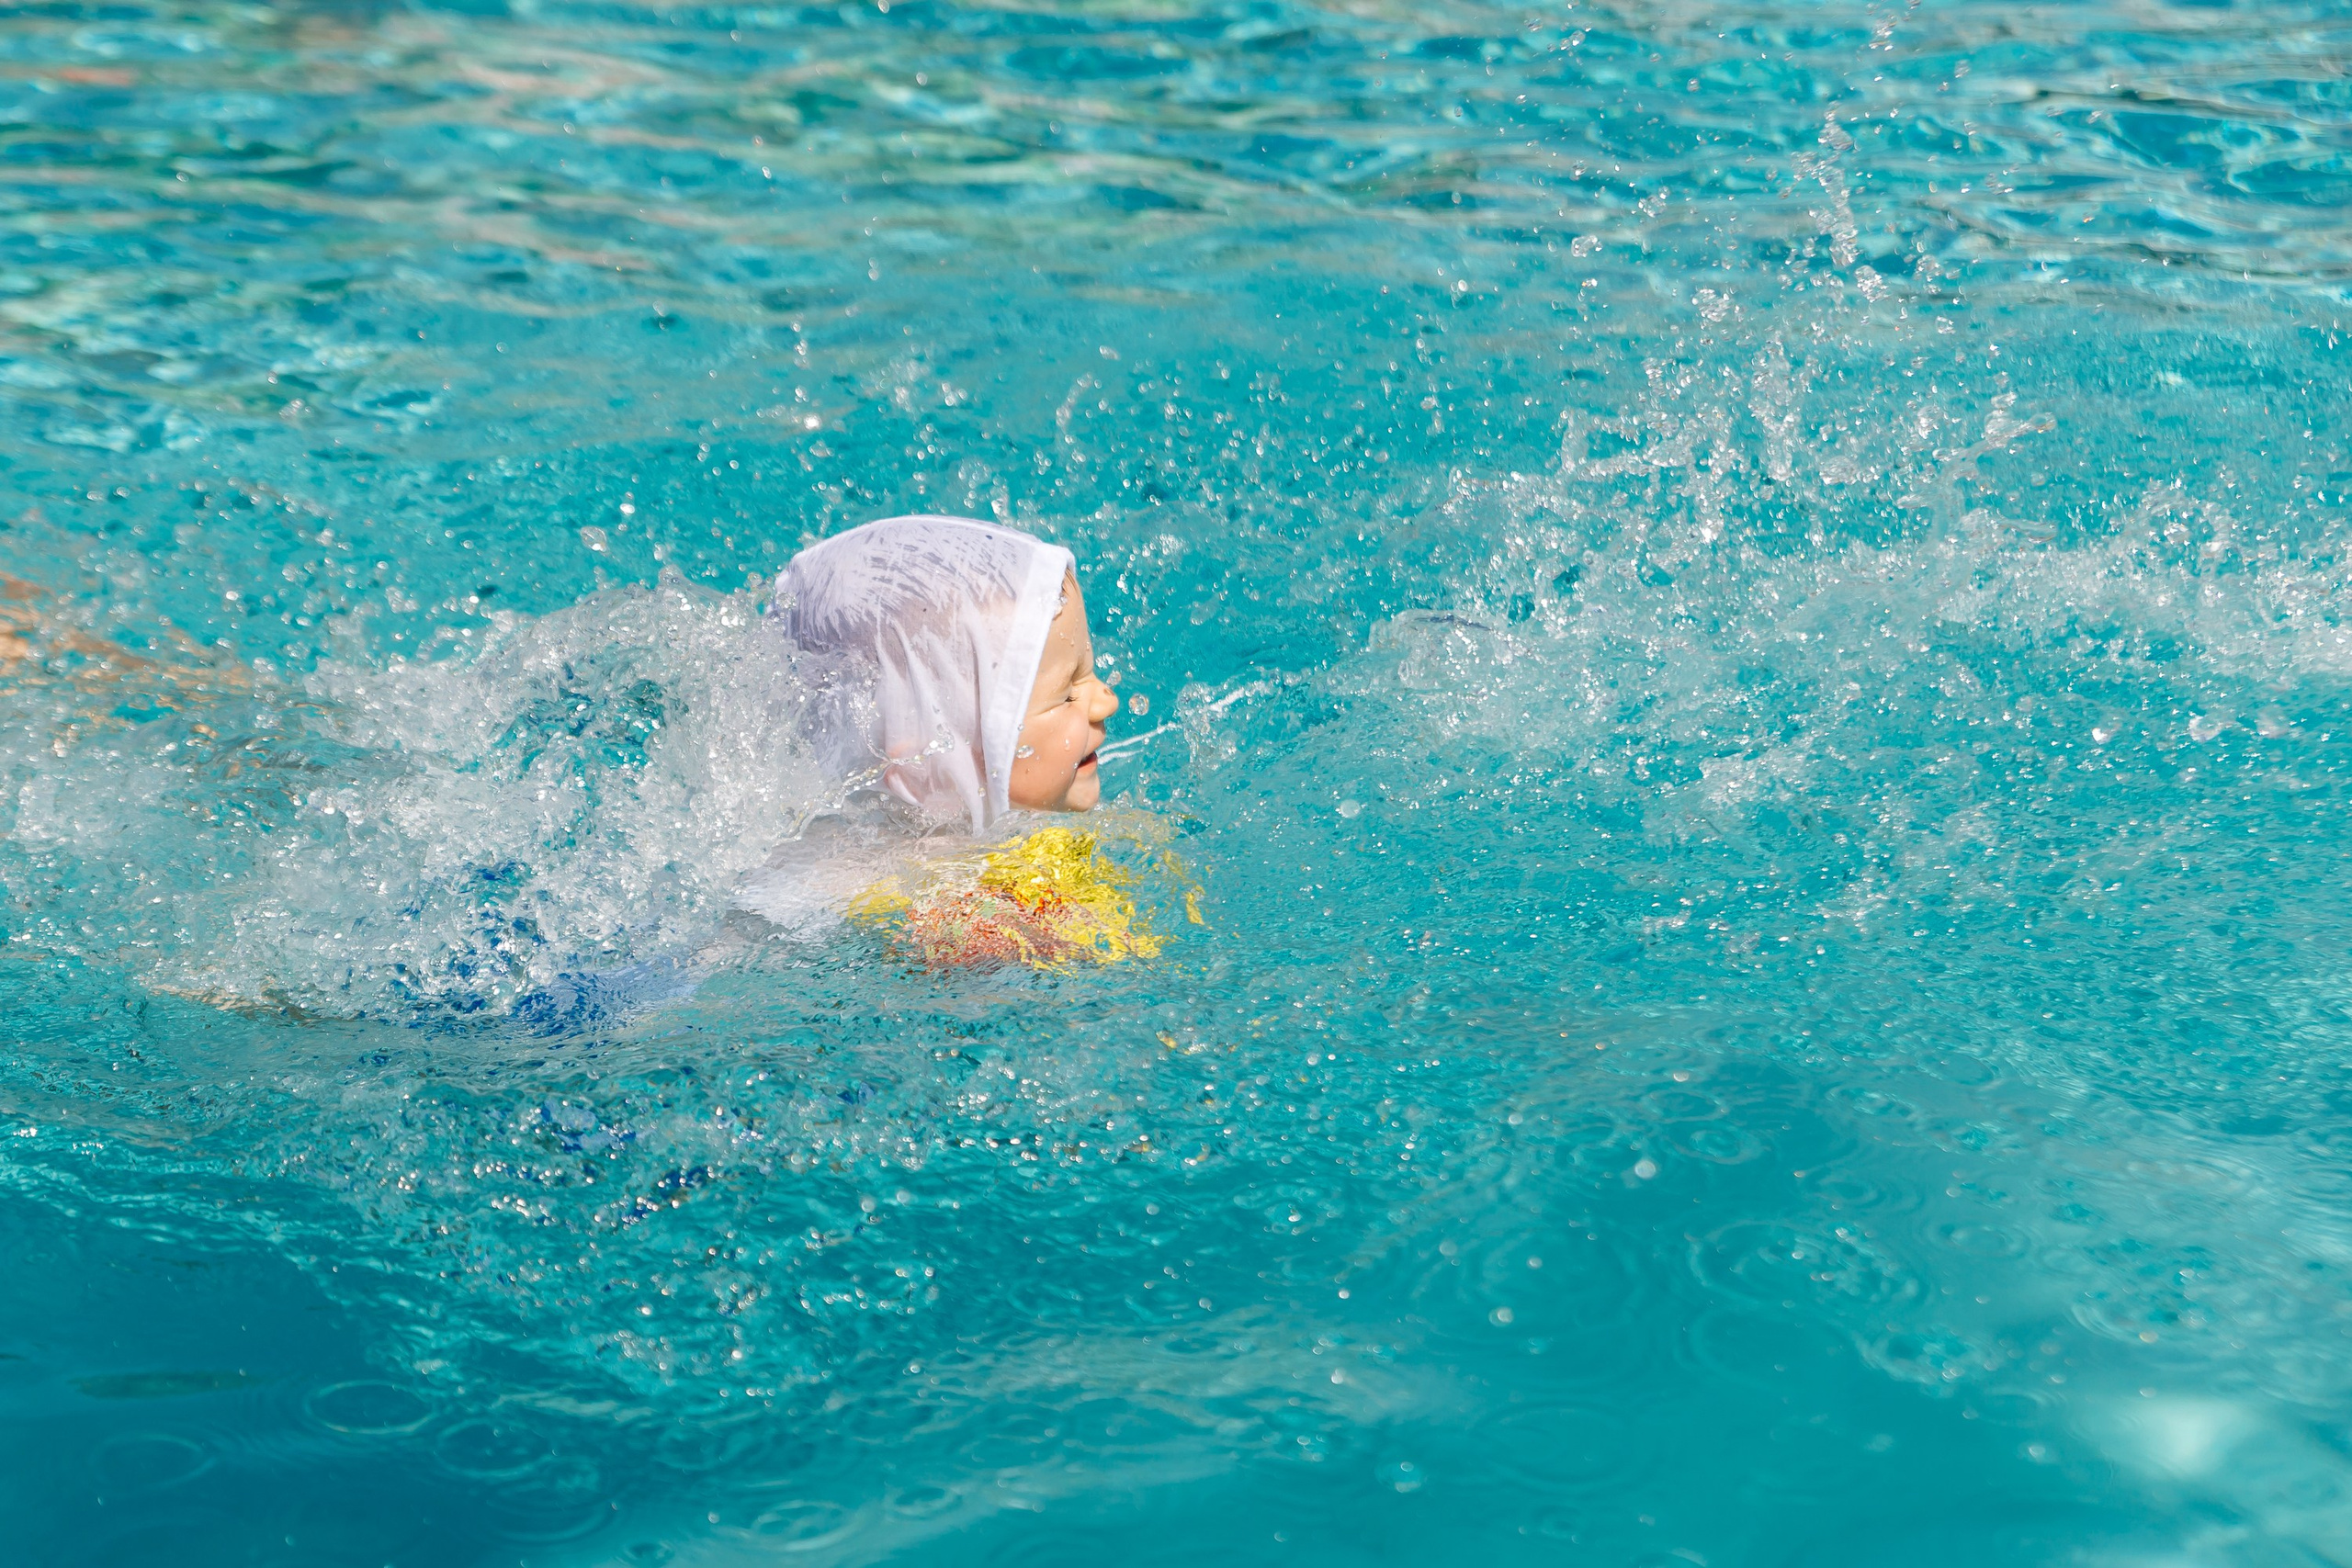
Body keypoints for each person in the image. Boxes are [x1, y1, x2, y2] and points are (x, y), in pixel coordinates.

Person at [736, 513, 1179, 968]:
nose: (1106, 700)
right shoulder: (921, 893)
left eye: (1090, 670)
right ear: (932, 756)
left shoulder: (991, 831)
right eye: (1067, 692)